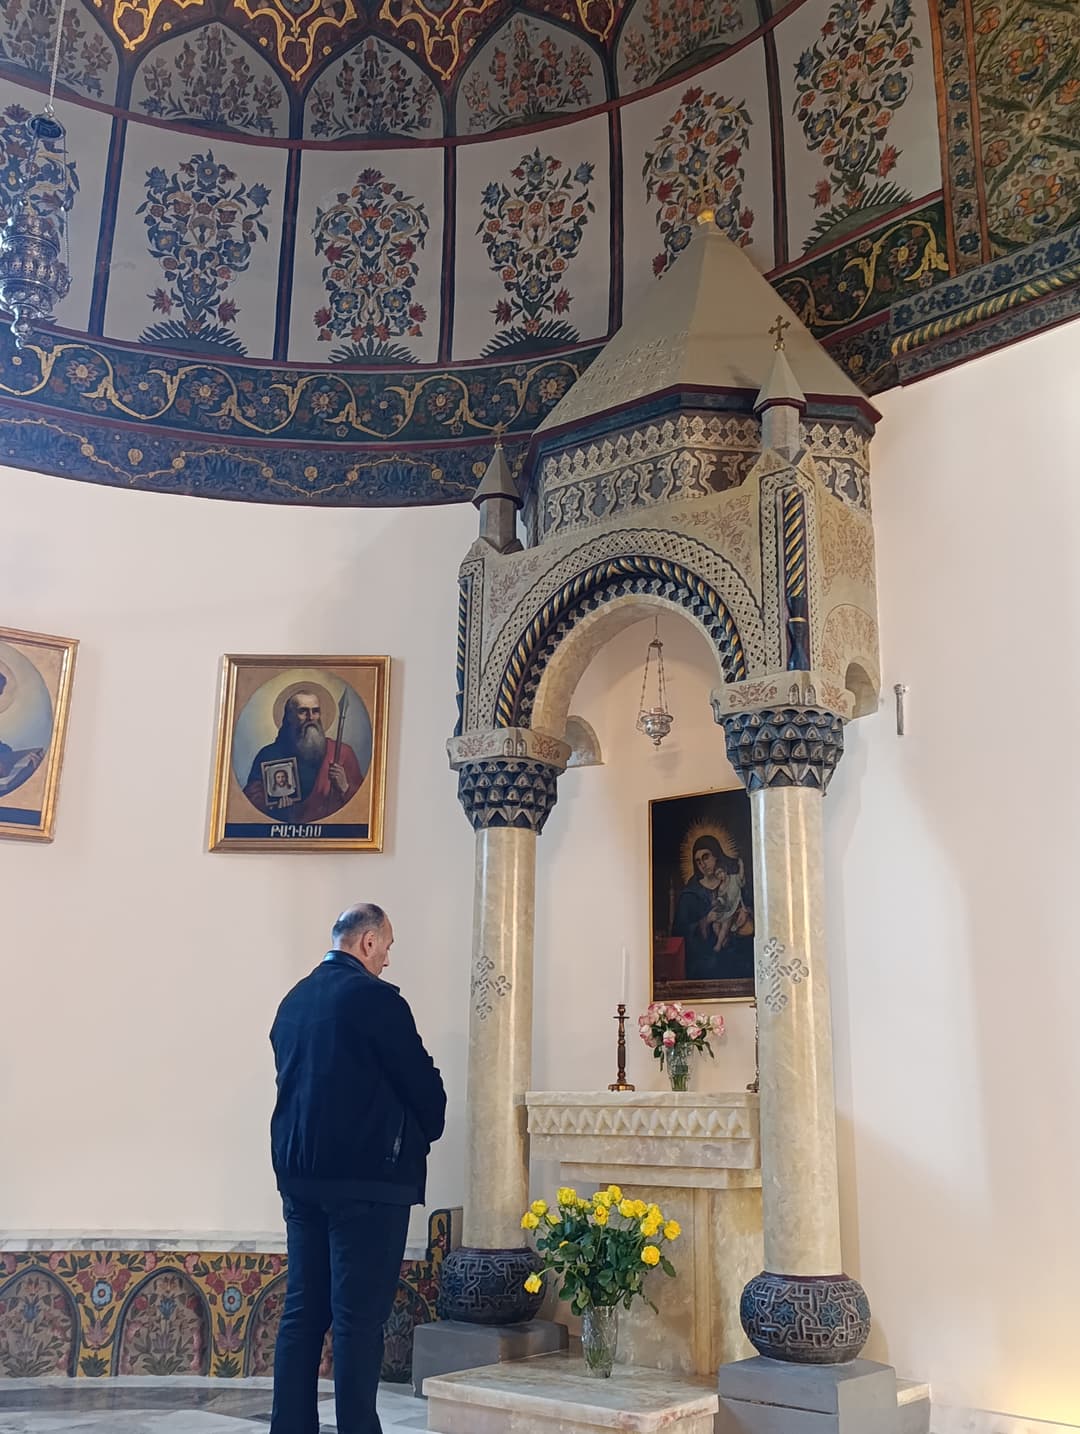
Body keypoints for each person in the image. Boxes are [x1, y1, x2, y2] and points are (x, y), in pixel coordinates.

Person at [269, 904, 446, 1434]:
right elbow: (423, 1088)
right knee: (357, 1321)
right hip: (368, 1183)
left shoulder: (293, 1002)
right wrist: (426, 1124)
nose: (389, 959)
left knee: (303, 1314)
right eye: (387, 947)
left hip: (301, 1179)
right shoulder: (375, 1001)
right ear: (367, 942)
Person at [245, 689, 363, 821]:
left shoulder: (341, 753)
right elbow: (252, 799)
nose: (311, 717)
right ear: (289, 716)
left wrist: (345, 787)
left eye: (315, 711)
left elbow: (361, 803)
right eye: (303, 711)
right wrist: (276, 807)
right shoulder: (269, 754)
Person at [673, 836, 754, 982]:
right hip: (705, 963)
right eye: (698, 861)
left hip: (737, 958)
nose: (703, 864)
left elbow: (752, 907)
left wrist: (746, 911)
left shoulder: (732, 883)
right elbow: (680, 933)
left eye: (706, 857)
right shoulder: (690, 894)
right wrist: (706, 921)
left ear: (716, 855)